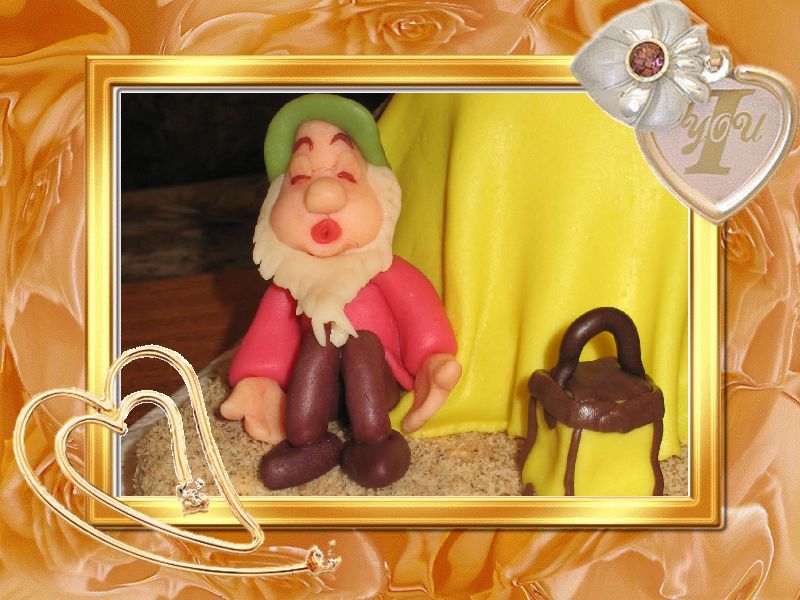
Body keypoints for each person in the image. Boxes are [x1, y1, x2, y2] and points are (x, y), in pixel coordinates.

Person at [219, 94, 461, 490]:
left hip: (379, 382)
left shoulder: (386, 271)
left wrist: (431, 360)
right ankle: (308, 444)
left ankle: (375, 443)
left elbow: (418, 314)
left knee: (360, 342)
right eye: (300, 178)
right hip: (318, 394)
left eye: (345, 175)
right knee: (322, 341)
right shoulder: (290, 286)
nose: (323, 196)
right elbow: (270, 336)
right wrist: (258, 380)